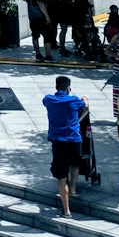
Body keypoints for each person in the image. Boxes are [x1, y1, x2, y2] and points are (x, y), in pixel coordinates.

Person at [43, 75, 87, 217]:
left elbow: (44, 100)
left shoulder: (49, 100)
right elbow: (85, 105)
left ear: (56, 87)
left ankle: (66, 210)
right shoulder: (74, 100)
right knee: (75, 163)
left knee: (61, 175)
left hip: (58, 142)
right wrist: (85, 97)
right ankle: (73, 188)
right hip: (74, 140)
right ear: (69, 88)